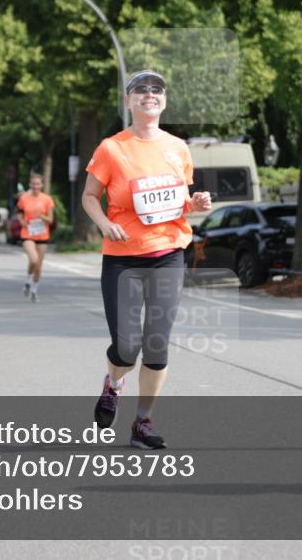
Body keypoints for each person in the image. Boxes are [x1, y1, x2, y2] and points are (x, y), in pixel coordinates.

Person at [82, 69, 212, 450]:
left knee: (157, 343)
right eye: (141, 89)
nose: (149, 94)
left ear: (164, 101)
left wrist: (196, 204)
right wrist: (105, 223)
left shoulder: (177, 148)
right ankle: (114, 383)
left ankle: (143, 422)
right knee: (126, 346)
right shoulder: (111, 148)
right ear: (129, 101)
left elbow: (178, 202)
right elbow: (90, 196)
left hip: (168, 253)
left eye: (156, 89)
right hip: (122, 259)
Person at [17, 174, 54, 302]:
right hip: (28, 234)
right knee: (33, 259)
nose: (35, 186)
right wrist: (21, 221)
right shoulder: (24, 198)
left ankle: (33, 289)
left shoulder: (47, 199)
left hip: (43, 235)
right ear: (30, 184)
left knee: (38, 265)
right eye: (33, 184)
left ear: (42, 185)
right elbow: (19, 213)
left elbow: (50, 219)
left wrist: (41, 216)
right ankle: (28, 279)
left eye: (38, 184)